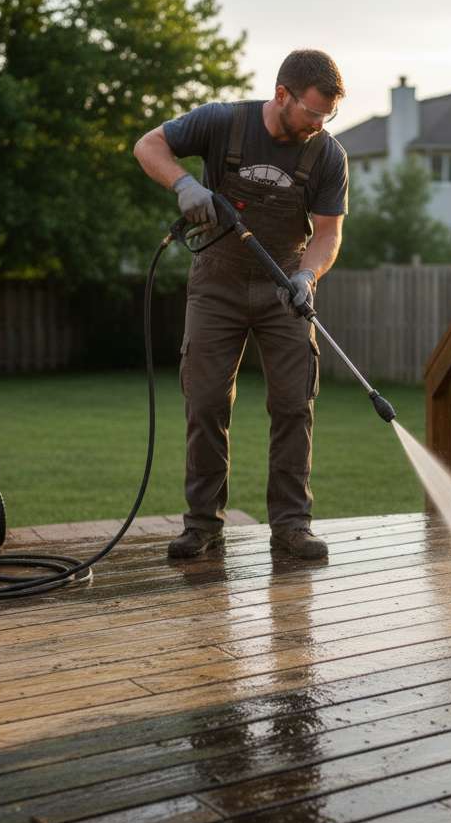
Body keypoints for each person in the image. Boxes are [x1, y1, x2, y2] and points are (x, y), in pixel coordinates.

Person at [133, 49, 348, 560]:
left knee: (294, 405)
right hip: (217, 284)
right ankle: (203, 525)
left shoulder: (327, 155)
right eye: (312, 113)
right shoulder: (222, 122)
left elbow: (329, 234)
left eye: (327, 117)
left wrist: (306, 275)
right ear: (281, 95)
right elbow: (149, 146)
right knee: (206, 402)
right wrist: (183, 183)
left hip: (284, 290)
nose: (319, 125)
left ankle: (292, 526)